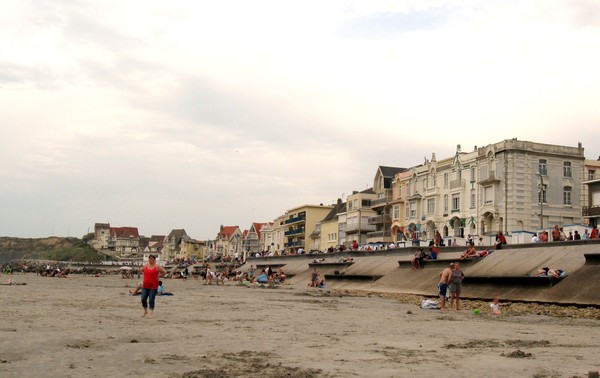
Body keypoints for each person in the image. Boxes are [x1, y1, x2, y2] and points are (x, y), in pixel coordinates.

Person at [140, 255, 167, 319]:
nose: (150, 260)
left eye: (152, 258)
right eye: (149, 258)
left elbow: (165, 272)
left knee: (151, 300)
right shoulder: (146, 266)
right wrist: (143, 274)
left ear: (154, 259)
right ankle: (145, 310)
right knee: (143, 299)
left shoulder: (157, 266)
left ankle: (151, 313)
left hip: (153, 286)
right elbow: (141, 270)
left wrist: (158, 276)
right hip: (145, 285)